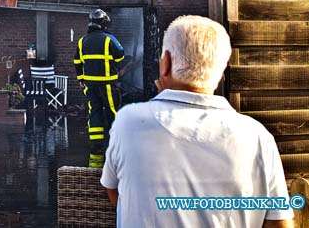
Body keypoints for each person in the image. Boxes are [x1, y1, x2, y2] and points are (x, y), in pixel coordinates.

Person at [101, 15, 294, 228]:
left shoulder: (129, 122)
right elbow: (279, 222)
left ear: (165, 64)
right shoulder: (257, 136)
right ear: (221, 71)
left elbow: (115, 191)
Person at [74, 8, 125, 168]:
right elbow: (120, 55)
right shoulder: (109, 39)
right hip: (107, 83)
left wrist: (81, 78)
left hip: (90, 84)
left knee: (94, 111)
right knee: (112, 110)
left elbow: (77, 61)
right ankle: (117, 141)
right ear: (104, 23)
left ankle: (96, 144)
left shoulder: (82, 41)